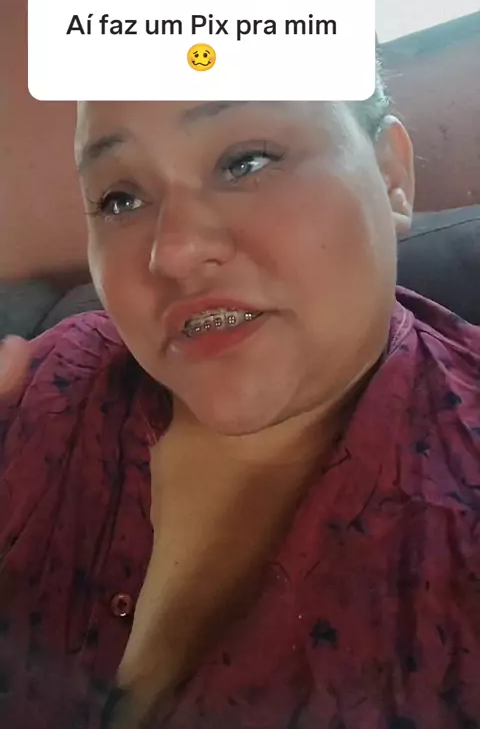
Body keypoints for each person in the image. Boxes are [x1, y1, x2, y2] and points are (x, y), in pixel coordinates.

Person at [1, 85, 480, 729]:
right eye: (120, 198)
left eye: (246, 161)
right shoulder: (49, 384)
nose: (172, 252)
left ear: (391, 176)